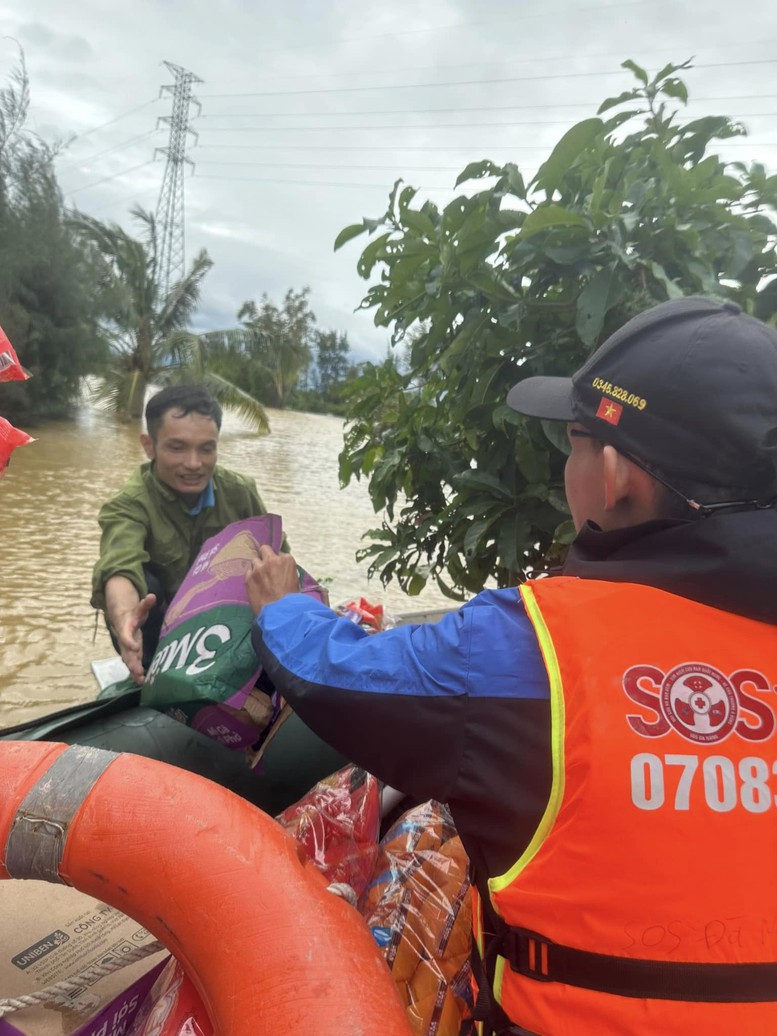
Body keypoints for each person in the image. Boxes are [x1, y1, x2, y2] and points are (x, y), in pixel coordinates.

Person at [245, 296, 777, 1035]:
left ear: (615, 473)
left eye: (574, 441)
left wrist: (281, 608)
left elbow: (334, 675)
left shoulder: (532, 645)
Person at [92, 383, 273, 685]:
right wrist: (125, 618)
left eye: (206, 448)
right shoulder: (129, 504)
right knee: (145, 587)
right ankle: (149, 673)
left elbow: (277, 558)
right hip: (162, 628)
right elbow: (119, 567)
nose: (194, 464)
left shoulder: (240, 493)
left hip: (223, 618)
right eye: (177, 448)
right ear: (149, 445)